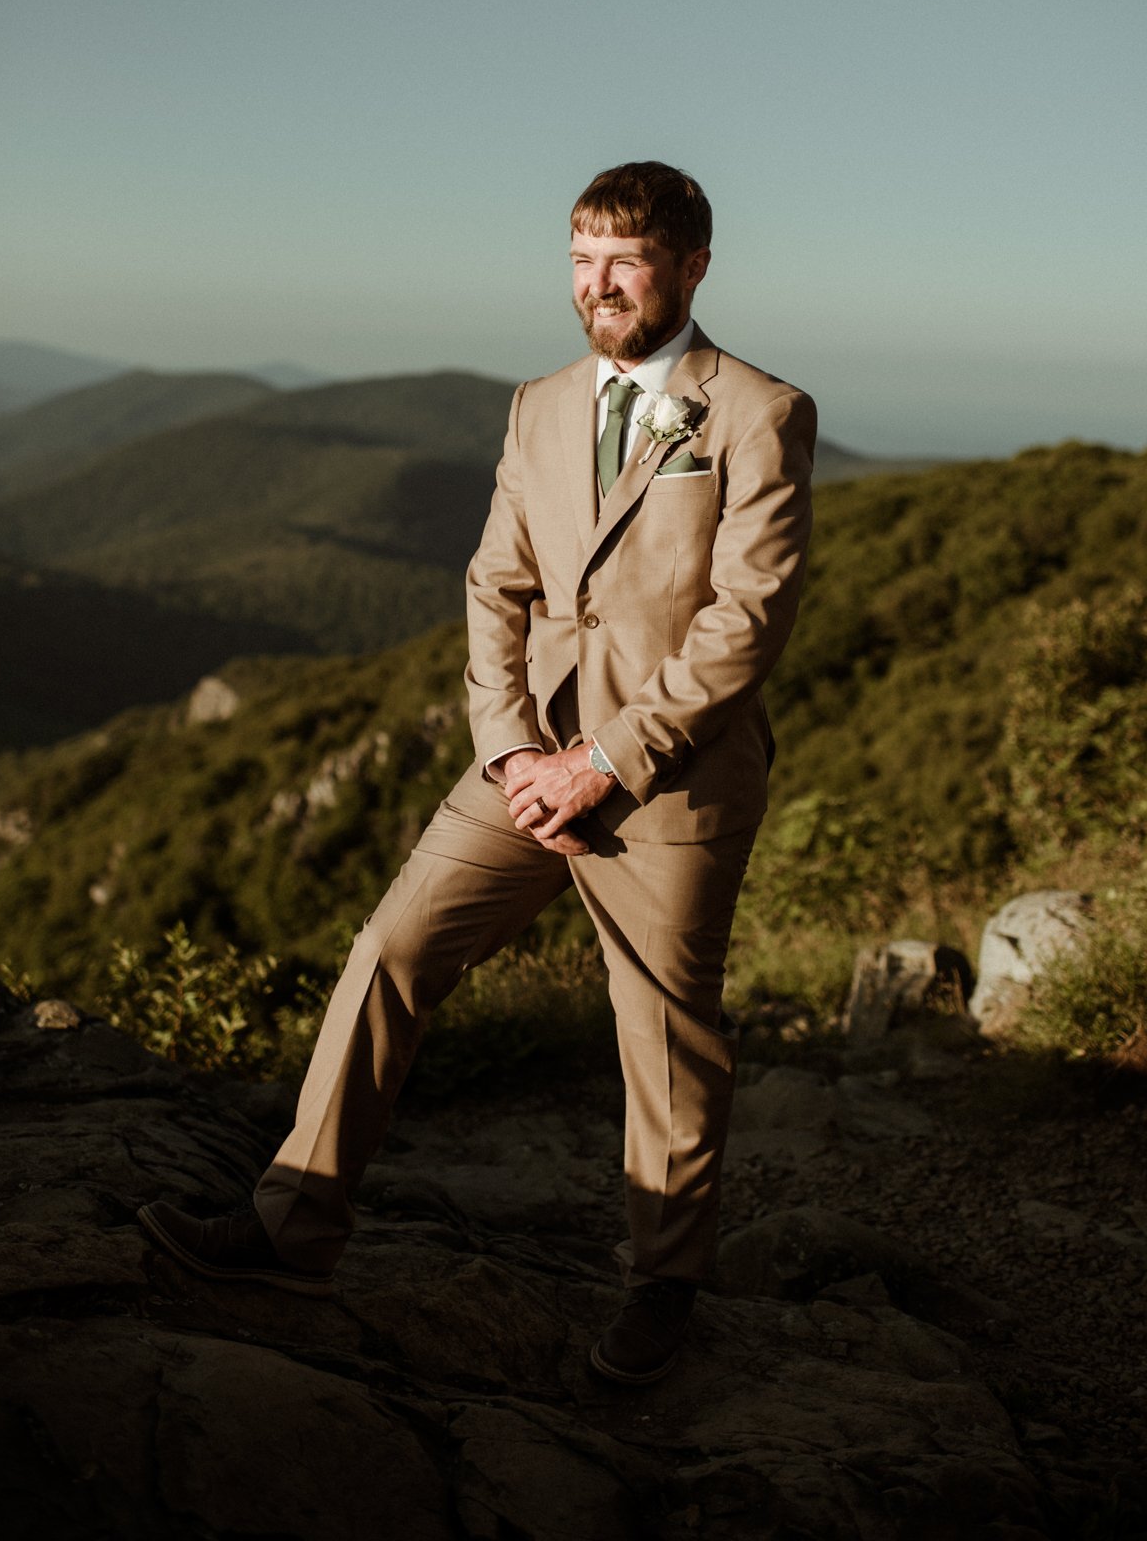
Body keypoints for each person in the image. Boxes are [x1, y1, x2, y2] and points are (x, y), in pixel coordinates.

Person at [140, 161, 817, 1385]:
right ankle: (293, 1226)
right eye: (577, 259)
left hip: (670, 777)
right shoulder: (538, 404)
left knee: (664, 1033)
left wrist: (604, 762)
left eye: (623, 261)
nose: (594, 286)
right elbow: (492, 584)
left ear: (693, 266)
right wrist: (509, 747)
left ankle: (664, 1292)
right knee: (391, 949)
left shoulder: (760, 412)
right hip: (524, 763)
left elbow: (745, 622)